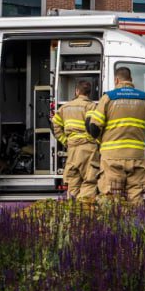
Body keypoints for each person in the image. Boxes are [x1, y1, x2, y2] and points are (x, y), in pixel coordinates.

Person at [85, 66, 145, 208]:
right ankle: (134, 227)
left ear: (117, 80)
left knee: (112, 200)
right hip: (136, 156)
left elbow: (94, 128)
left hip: (112, 158)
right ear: (130, 80)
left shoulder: (108, 98)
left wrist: (101, 139)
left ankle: (115, 228)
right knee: (136, 199)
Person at [52, 81, 97, 209]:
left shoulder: (65, 107)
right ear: (89, 93)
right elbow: (92, 126)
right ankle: (85, 212)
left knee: (73, 182)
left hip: (72, 149)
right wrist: (92, 140)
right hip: (88, 149)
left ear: (77, 91)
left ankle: (72, 213)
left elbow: (54, 124)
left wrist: (65, 141)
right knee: (89, 180)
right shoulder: (91, 106)